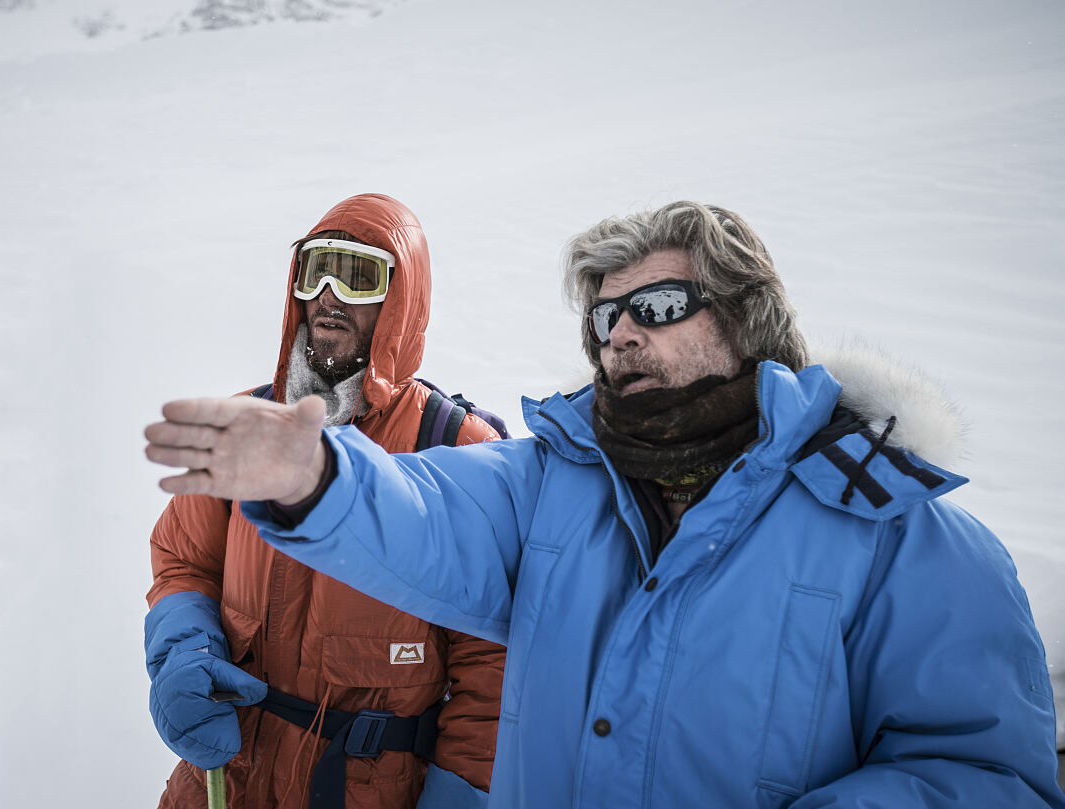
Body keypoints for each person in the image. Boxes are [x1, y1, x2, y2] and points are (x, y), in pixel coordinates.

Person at [145, 201, 1065, 808]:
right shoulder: (554, 485)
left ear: (748, 320)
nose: (619, 331)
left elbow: (985, 774)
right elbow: (425, 515)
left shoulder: (897, 533)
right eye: (603, 316)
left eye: (656, 304)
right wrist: (313, 482)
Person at [142, 193, 506, 809]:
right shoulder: (247, 426)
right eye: (318, 271)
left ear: (400, 300)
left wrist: (461, 795)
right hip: (227, 782)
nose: (331, 295)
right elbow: (185, 561)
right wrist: (185, 649)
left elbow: (492, 659)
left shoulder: (454, 446)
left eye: (360, 276)